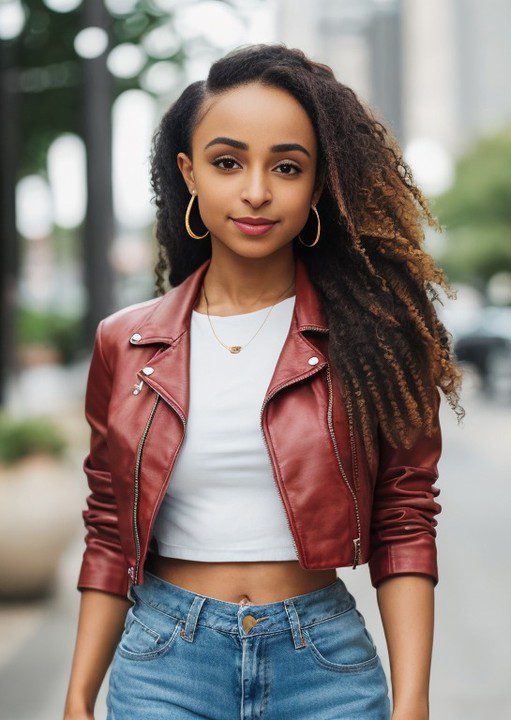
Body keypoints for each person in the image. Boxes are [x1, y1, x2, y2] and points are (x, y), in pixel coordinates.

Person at [63, 43, 464, 720]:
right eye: (228, 162)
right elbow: (108, 525)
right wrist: (77, 696)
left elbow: (404, 517)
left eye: (286, 167)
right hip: (165, 665)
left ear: (317, 185)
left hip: (323, 668)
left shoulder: (374, 337)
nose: (255, 190)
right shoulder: (124, 343)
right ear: (189, 173)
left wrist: (413, 702)